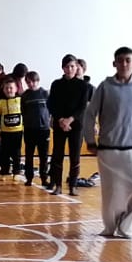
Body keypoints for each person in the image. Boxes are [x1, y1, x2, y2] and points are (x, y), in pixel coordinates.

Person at [83, 46, 132, 239]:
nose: (124, 64)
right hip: (108, 150)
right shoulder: (105, 87)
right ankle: (110, 228)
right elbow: (90, 114)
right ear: (114, 63)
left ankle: (126, 227)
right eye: (120, 60)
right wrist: (90, 140)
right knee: (111, 193)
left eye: (128, 60)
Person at [47, 54, 88, 196]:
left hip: (76, 125)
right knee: (57, 154)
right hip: (59, 124)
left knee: (74, 156)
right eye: (67, 66)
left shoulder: (83, 85)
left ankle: (73, 186)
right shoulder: (56, 84)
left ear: (76, 67)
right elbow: (51, 104)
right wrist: (60, 120)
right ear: (63, 68)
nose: (70, 69)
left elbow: (83, 106)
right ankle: (58, 185)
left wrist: (70, 120)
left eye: (72, 66)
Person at [20, 70, 50, 187]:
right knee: (29, 155)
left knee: (44, 156)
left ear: (37, 81)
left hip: (43, 130)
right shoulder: (25, 96)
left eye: (33, 81)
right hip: (29, 130)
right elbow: (23, 111)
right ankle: (29, 178)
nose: (31, 84)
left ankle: (44, 178)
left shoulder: (45, 93)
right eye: (28, 82)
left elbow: (50, 110)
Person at [0, 75, 24, 176]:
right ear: (3, 90)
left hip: (18, 132)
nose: (9, 90)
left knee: (16, 152)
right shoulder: (0, 103)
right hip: (5, 132)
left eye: (11, 88)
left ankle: (16, 170)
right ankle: (5, 170)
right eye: (6, 88)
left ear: (16, 89)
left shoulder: (21, 100)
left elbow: (26, 115)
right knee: (4, 152)